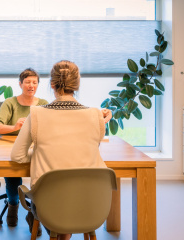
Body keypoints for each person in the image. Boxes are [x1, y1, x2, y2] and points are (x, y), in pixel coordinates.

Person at [10, 60, 112, 240]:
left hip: (50, 205)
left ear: (52, 85)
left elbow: (17, 156)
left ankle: (61, 233)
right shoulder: (96, 114)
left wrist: (41, 153)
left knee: (56, 198)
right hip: (91, 203)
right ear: (77, 85)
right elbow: (87, 148)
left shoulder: (36, 114)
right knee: (71, 194)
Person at [0, 68, 49, 229]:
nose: (31, 85)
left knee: (41, 174)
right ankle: (13, 205)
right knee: (12, 175)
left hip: (36, 147)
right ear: (20, 84)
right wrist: (15, 126)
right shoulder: (10, 103)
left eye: (35, 82)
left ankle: (34, 212)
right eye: (28, 82)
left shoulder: (43, 104)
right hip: (12, 146)